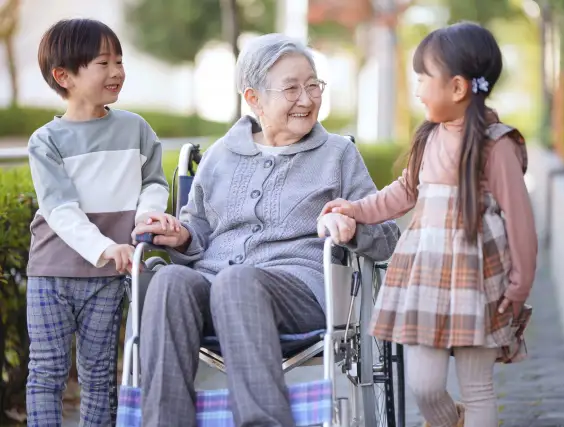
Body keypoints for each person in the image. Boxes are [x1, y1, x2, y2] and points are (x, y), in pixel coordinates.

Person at [130, 33, 400, 427]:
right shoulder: (221, 154)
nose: (307, 99)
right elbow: (197, 225)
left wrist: (351, 226)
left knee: (237, 282)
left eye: (313, 85)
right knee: (169, 280)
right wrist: (183, 236)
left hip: (300, 290)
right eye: (292, 88)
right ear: (253, 98)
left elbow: (387, 235)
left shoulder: (338, 155)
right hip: (213, 283)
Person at [320, 22, 538, 427]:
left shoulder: (497, 145)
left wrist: (520, 282)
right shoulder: (429, 139)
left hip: (479, 279)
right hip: (426, 277)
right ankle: (447, 420)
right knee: (424, 384)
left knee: (478, 390)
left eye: (423, 78)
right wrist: (354, 209)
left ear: (457, 88)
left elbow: (521, 218)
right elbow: (401, 193)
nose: (417, 88)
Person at [26, 19, 170, 426]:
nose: (117, 71)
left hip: (108, 275)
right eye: (103, 62)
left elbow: (154, 183)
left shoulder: (136, 129)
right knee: (46, 372)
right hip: (51, 272)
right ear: (64, 76)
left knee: (100, 375)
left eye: (120, 61)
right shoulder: (46, 140)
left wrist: (145, 221)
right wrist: (105, 247)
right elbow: (59, 208)